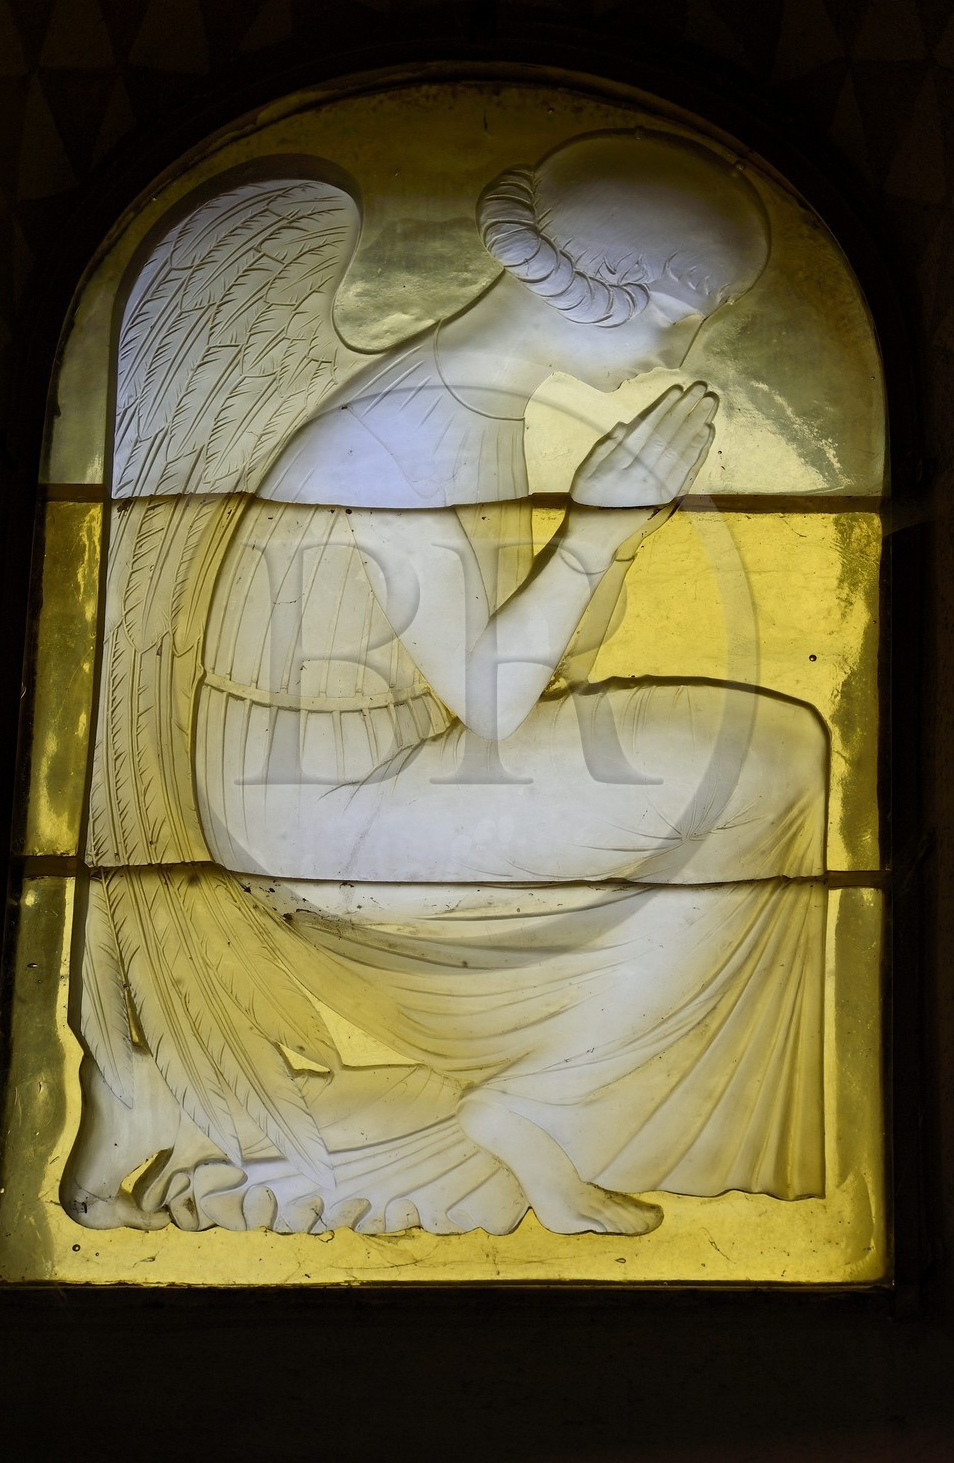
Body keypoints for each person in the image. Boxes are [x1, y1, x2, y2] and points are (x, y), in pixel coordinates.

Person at [179, 131, 830, 1235]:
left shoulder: (469, 400)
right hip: (322, 813)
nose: (682, 348)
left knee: (772, 760)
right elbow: (489, 701)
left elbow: (524, 671)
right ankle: (548, 1110)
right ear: (599, 290)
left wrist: (609, 545)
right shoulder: (405, 435)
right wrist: (594, 533)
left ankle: (557, 1103)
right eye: (680, 313)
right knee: (762, 770)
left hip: (383, 766)